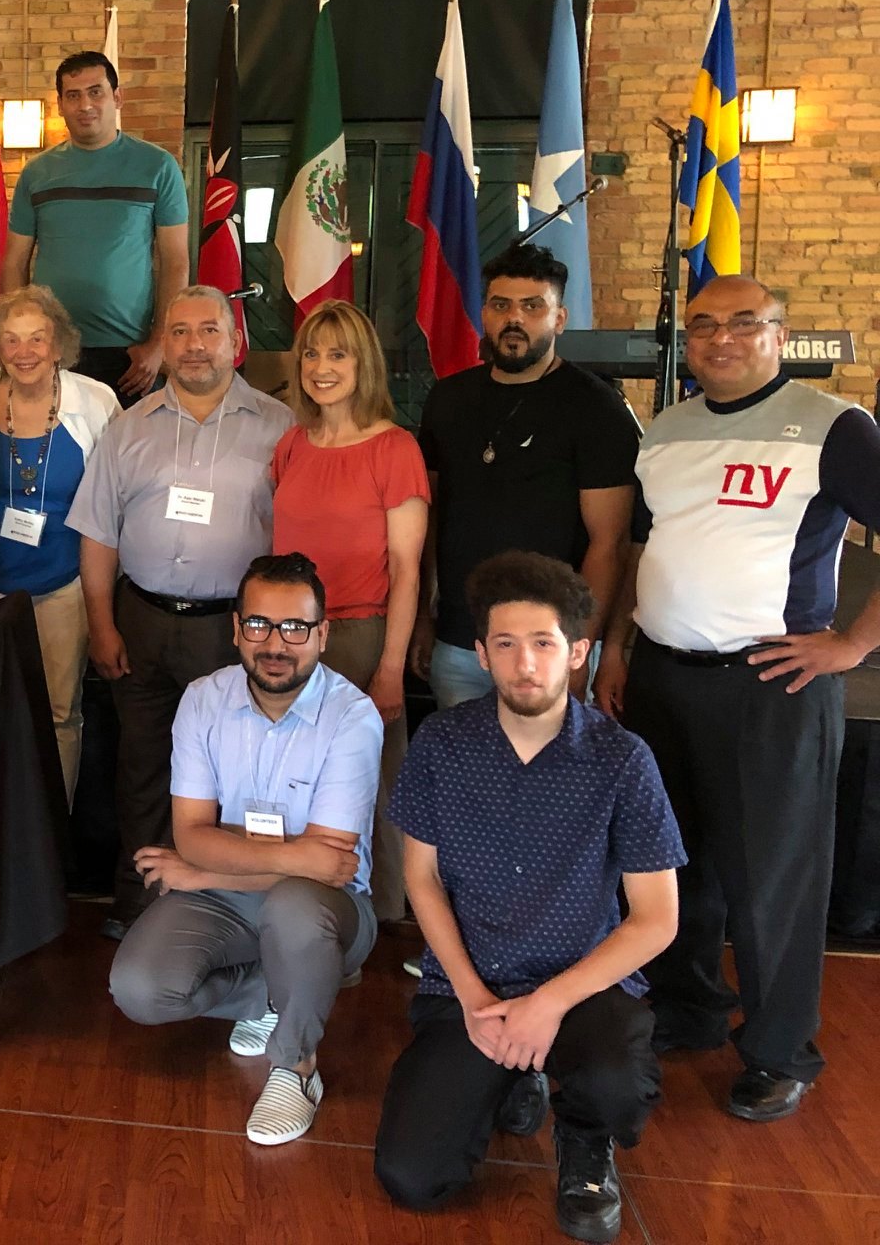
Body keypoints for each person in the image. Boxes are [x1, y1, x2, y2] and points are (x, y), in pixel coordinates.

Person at [594, 274, 880, 1122]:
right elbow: (643, 548)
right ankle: (689, 1010)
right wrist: (616, 648)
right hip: (660, 676)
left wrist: (855, 644)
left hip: (771, 686)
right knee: (671, 863)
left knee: (772, 881)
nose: (722, 337)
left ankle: (780, 1052)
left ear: (779, 336)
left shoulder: (834, 426)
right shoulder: (665, 429)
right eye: (705, 323)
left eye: (745, 323)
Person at [378, 553, 684, 1245]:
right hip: (472, 984)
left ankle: (584, 1139)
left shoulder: (623, 759)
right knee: (412, 1177)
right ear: (481, 654)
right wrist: (471, 998)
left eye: (544, 643)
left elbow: (657, 920)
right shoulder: (443, 743)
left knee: (615, 1081)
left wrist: (546, 1005)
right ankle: (513, 1078)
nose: (525, 664)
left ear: (577, 652)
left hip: (581, 987)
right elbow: (421, 879)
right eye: (506, 644)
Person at [110, 553, 382, 1147]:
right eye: (259, 624)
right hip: (232, 897)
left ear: (323, 634)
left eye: (295, 628)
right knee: (140, 989)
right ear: (235, 629)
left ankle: (296, 1066)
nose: (276, 644)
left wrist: (204, 872)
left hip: (328, 912)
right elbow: (192, 834)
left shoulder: (352, 718)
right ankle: (275, 991)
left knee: (295, 908)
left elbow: (329, 872)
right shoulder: (202, 699)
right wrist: (290, 857)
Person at [66, 286, 291, 937]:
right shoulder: (127, 427)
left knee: (234, 769)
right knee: (141, 767)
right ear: (162, 345)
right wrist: (101, 624)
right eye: (180, 332)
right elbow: (98, 534)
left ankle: (225, 907)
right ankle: (139, 902)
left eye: (209, 331)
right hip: (141, 621)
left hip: (234, 631)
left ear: (235, 342)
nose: (195, 345)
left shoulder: (279, 427)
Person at [411, 244, 639, 709]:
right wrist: (423, 618)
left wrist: (578, 648)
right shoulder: (448, 399)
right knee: (464, 758)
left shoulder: (595, 408)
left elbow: (610, 543)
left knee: (550, 758)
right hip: (459, 642)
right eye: (501, 305)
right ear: (484, 314)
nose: (514, 318)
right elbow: (430, 520)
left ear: (559, 318)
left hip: (550, 646)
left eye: (533, 306)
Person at [269, 300, 428, 923]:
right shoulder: (291, 446)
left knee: (373, 783)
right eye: (311, 353)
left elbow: (407, 570)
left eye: (337, 354)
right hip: (289, 639)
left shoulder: (394, 449)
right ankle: (300, 908)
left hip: (361, 636)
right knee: (293, 777)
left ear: (364, 364)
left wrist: (389, 668)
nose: (321, 367)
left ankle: (380, 915)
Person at [0, 285, 119, 799]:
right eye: (11, 340)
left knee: (59, 712)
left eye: (37, 338)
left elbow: (115, 502)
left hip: (65, 585)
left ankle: (53, 820)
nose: (24, 352)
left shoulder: (96, 402)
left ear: (59, 345)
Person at [4, 51, 188, 402]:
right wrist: (17, 337)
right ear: (60, 105)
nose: (85, 105)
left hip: (131, 356)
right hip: (51, 349)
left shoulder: (158, 167)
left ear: (117, 97)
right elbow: (14, 262)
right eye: (73, 95)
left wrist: (159, 343)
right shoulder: (36, 173)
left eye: (95, 92)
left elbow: (176, 261)